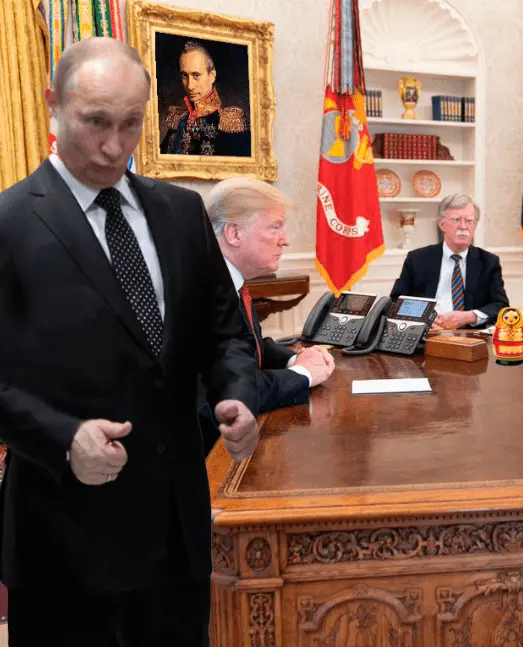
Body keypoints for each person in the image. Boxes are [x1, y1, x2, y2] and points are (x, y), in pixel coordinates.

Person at [0, 38, 260, 645]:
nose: (114, 146)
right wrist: (63, 438)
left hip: (176, 535)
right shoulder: (8, 224)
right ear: (53, 105)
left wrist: (239, 393)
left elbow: (225, 332)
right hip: (64, 542)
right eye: (95, 122)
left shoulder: (182, 212)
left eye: (131, 123)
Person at [203, 178, 336, 451]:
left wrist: (294, 359)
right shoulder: (200, 292)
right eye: (275, 228)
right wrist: (302, 375)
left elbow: (247, 345)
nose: (286, 240)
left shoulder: (226, 280)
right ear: (234, 234)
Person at [390, 193, 509, 330]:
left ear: (475, 225)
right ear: (442, 224)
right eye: (456, 220)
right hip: (428, 334)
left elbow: (501, 306)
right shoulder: (418, 259)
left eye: (469, 221)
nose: (463, 226)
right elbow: (395, 302)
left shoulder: (488, 262)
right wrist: (425, 317)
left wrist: (469, 316)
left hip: (471, 337)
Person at [160, 40, 251, 156]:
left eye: (196, 75)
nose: (190, 86)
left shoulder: (231, 123)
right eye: (184, 75)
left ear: (212, 76)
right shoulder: (179, 121)